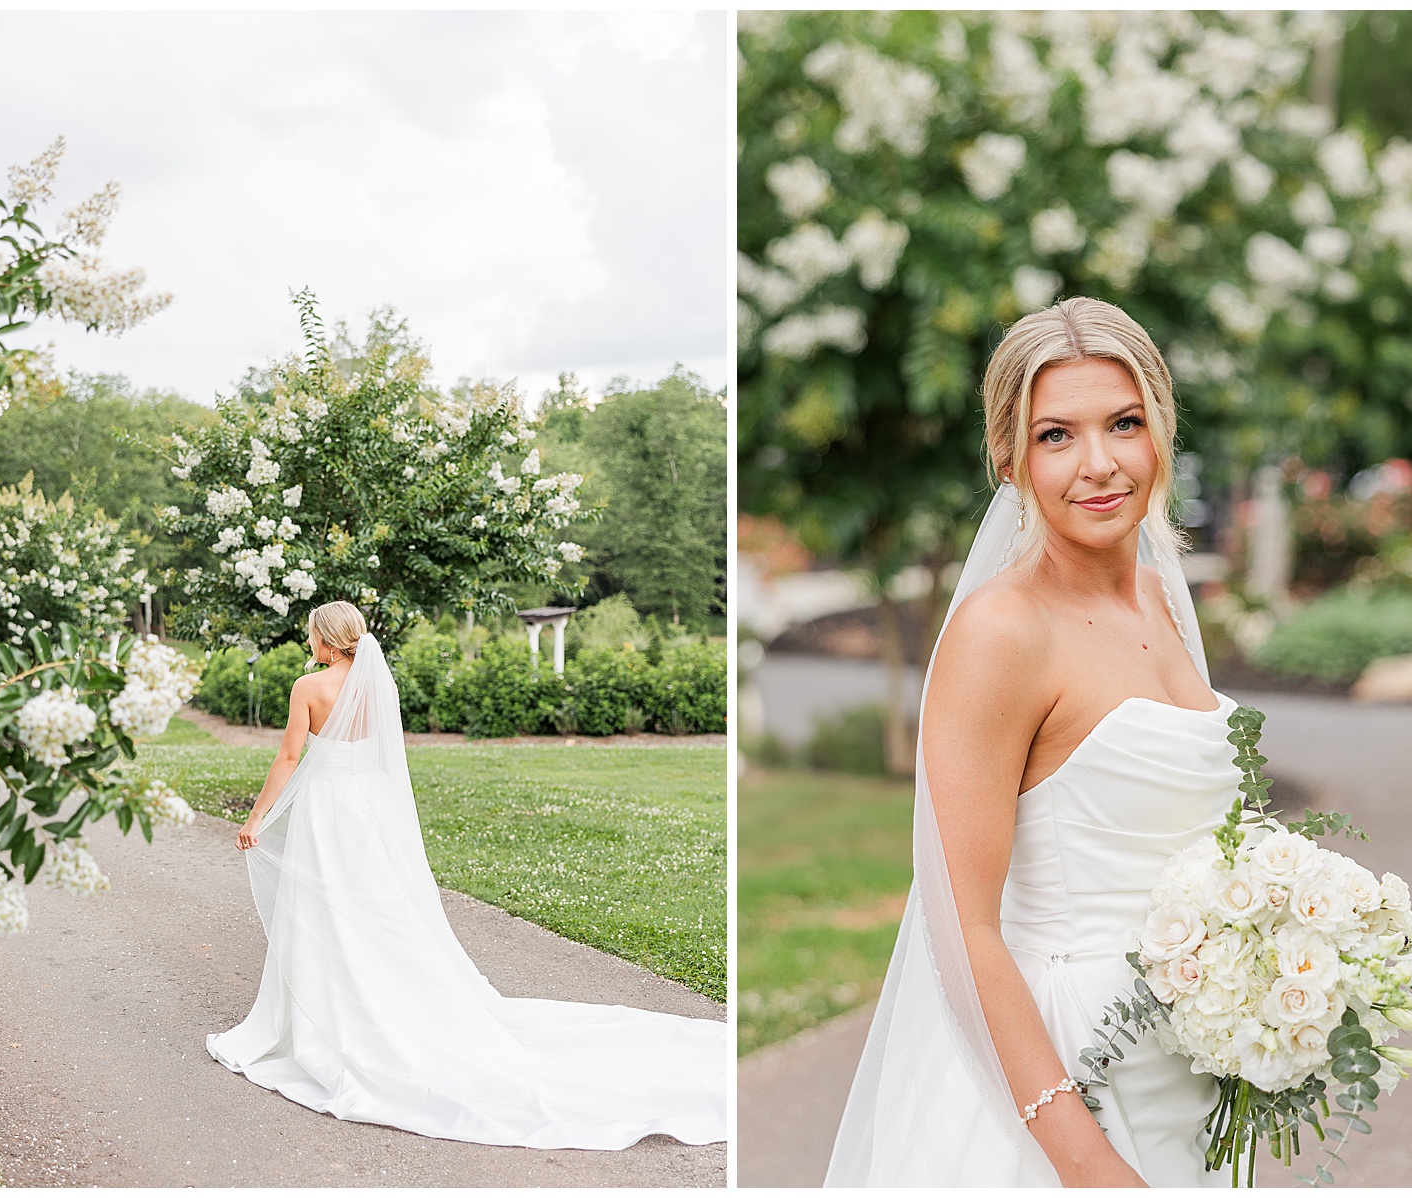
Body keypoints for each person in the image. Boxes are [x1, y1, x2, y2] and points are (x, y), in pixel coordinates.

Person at [826, 298, 1237, 1187]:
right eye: (1057, 436)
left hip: (1185, 1067)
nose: (1099, 464)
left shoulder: (1163, 602)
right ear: (1009, 460)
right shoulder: (1001, 634)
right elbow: (963, 925)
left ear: (1160, 430)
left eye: (1124, 423)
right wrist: (1084, 1162)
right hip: (1063, 1074)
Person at [208, 600, 726, 1150]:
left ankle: (331, 1015)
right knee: (377, 906)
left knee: (326, 909)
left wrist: (256, 817)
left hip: (326, 812)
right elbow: (386, 763)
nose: (308, 641)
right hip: (366, 814)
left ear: (327, 640)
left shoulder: (307, 688)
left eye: (312, 633)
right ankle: (384, 997)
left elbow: (289, 759)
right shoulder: (379, 686)